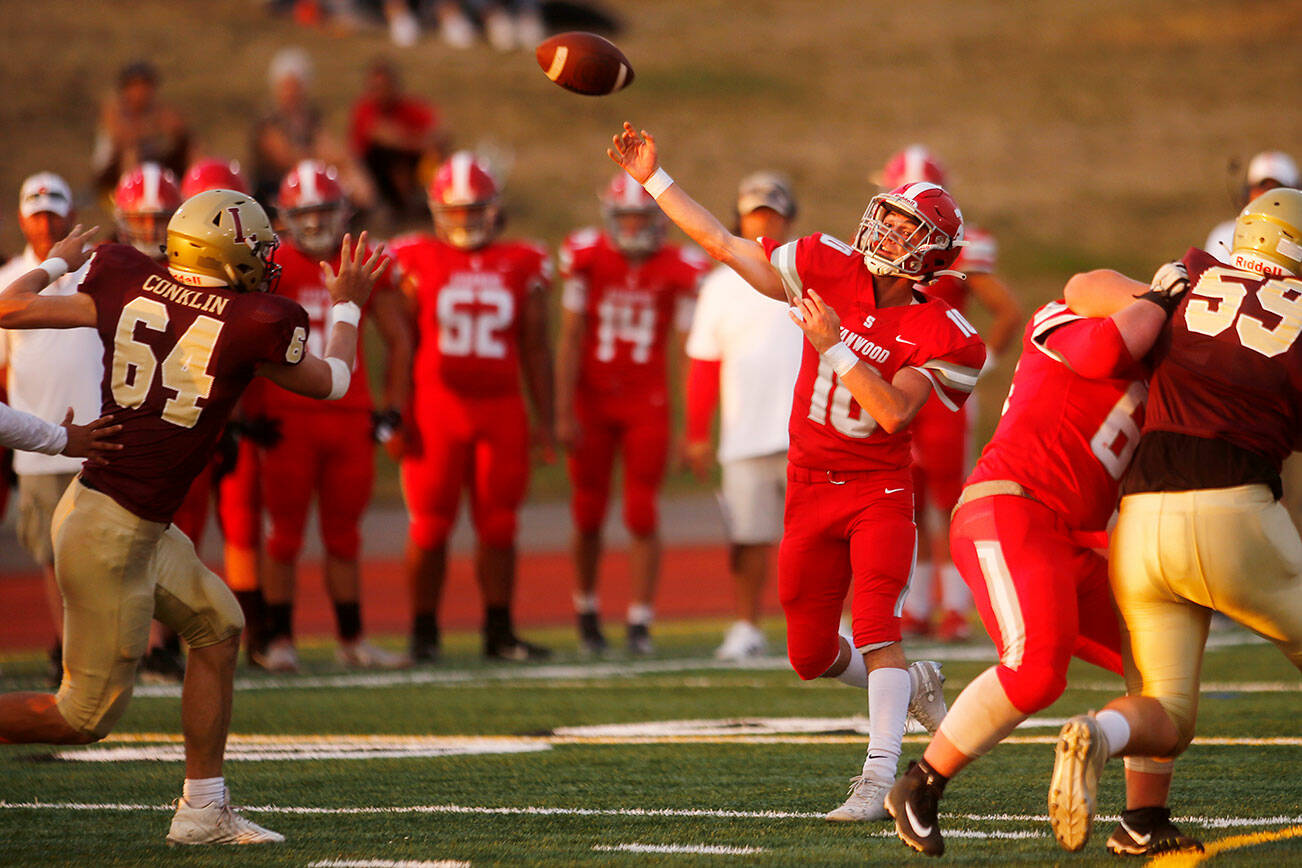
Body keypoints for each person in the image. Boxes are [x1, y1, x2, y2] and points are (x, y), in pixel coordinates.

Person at [607, 123, 984, 820]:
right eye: (890, 219)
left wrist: (835, 347)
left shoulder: (946, 333)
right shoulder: (824, 262)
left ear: (930, 257)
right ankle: (914, 684)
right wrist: (654, 179)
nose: (888, 234)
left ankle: (878, 780)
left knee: (876, 628)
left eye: (907, 231)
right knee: (809, 653)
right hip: (810, 489)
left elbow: (894, 415)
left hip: (878, 490)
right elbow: (725, 246)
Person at [0, 189, 388, 845]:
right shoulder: (254, 322)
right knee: (82, 717)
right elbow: (339, 379)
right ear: (226, 251)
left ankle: (202, 810)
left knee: (217, 625)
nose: (269, 261)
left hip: (118, 515)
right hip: (111, 533)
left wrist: (59, 261)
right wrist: (349, 301)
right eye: (258, 249)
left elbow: (9, 307)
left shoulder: (127, 279)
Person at [1047, 188, 1302, 857]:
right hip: (1233, 514)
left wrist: (1159, 295)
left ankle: (1107, 750)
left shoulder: (1197, 281)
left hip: (1139, 523)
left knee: (1166, 710)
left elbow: (1081, 285)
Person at [883, 286, 1163, 856]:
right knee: (1036, 671)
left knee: (1161, 669)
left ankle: (1144, 818)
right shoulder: (1070, 319)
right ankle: (920, 784)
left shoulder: (1168, 374)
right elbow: (1089, 296)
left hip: (1072, 539)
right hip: (1012, 510)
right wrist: (1161, 297)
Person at [390, 151, 555, 662]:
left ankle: (499, 631)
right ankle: (422, 631)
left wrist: (547, 420)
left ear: (493, 208)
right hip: (438, 408)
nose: (463, 220)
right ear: (438, 210)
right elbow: (401, 344)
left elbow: (535, 347)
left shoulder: (522, 261)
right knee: (430, 525)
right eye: (455, 210)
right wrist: (397, 411)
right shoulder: (416, 258)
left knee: (501, 525)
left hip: (501, 409)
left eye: (473, 209)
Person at [254, 159, 412, 672]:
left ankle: (352, 639)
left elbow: (399, 340)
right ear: (285, 215)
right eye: (306, 213)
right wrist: (248, 409)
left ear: (342, 211)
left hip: (348, 416)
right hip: (288, 415)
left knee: (344, 533)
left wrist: (392, 407)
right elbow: (240, 343)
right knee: (284, 533)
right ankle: (278, 640)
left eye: (325, 212)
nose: (317, 224)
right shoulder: (266, 266)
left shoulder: (362, 261)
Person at [875, 146, 1024, 641]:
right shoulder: (881, 247)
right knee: (908, 500)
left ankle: (957, 605)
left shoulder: (957, 246)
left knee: (947, 498)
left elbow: (1005, 310)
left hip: (939, 392)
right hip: (897, 386)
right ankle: (917, 605)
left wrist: (980, 370)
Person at [555, 173, 706, 655]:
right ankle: (585, 610)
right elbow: (571, 339)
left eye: (643, 217)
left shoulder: (677, 268)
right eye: (627, 218)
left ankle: (640, 619)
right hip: (593, 401)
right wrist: (561, 409)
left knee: (641, 511)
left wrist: (690, 426)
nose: (635, 227)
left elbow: (687, 350)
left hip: (647, 402)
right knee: (588, 510)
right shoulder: (586, 258)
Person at [683, 171, 802, 660]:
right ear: (738, 217)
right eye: (755, 214)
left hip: (806, 432)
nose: (763, 223)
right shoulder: (718, 286)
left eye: (772, 215)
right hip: (744, 433)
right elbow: (704, 363)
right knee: (747, 539)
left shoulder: (808, 272)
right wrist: (695, 432)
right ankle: (747, 625)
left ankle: (837, 624)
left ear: (788, 220)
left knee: (823, 542)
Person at [0, 173, 104, 686]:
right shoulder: (7, 279)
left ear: (68, 215)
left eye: (53, 211)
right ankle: (69, 653)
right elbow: (2, 370)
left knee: (111, 553)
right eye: (37, 212)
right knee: (52, 560)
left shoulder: (97, 272)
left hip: (100, 439)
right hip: (36, 447)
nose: (46, 221)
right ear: (23, 218)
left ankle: (136, 648)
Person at [112, 163, 194, 683]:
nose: (147, 231)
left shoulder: (191, 273)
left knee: (174, 535)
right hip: (120, 423)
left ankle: (161, 643)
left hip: (178, 422)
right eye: (137, 220)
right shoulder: (106, 269)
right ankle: (125, 643)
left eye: (158, 219)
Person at [249, 48, 374, 213]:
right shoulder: (269, 122)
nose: (292, 92)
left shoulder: (309, 118)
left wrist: (338, 161)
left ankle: (365, 208)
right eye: (288, 86)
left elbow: (332, 148)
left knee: (348, 169)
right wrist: (327, 160)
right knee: (338, 174)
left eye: (296, 86)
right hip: (278, 186)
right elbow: (286, 159)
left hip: (307, 175)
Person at [348, 59, 447, 223]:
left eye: (385, 87)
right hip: (373, 172)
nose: (381, 93)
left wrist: (422, 142)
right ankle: (385, 205)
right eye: (376, 88)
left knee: (434, 154)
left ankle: (431, 197)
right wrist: (419, 142)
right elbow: (382, 136)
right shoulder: (365, 109)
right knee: (386, 153)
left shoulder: (408, 107)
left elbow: (441, 132)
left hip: (408, 165)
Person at [92, 60, 193, 205]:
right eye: (136, 86)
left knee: (189, 146)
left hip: (150, 163)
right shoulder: (114, 110)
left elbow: (179, 127)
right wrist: (155, 127)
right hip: (113, 172)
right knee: (131, 152)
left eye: (146, 86)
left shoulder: (157, 110)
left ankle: (192, 195)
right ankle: (128, 199)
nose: (141, 92)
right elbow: (123, 138)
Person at [1204, 150, 1298, 261]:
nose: (1269, 197)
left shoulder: (1298, 241)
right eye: (1261, 188)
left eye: (1277, 189)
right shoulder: (1224, 235)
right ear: (1247, 193)